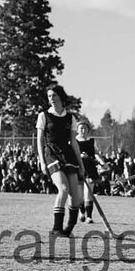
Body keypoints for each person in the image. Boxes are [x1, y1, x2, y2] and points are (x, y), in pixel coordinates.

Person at [36, 84, 87, 236]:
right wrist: (42, 161)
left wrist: (81, 164)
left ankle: (69, 228)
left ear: (60, 96)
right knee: (63, 189)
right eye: (49, 96)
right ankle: (56, 228)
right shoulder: (43, 116)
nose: (51, 98)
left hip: (68, 154)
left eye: (54, 95)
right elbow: (39, 140)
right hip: (51, 153)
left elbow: (74, 141)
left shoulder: (70, 117)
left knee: (75, 196)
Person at [75, 120, 100, 224]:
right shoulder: (74, 141)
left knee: (88, 193)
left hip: (90, 168)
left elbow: (96, 153)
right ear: (77, 130)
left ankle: (89, 216)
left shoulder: (91, 141)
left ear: (88, 130)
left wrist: (102, 163)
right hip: (78, 168)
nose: (83, 130)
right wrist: (79, 156)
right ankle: (82, 212)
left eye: (85, 128)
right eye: (81, 128)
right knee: (80, 194)